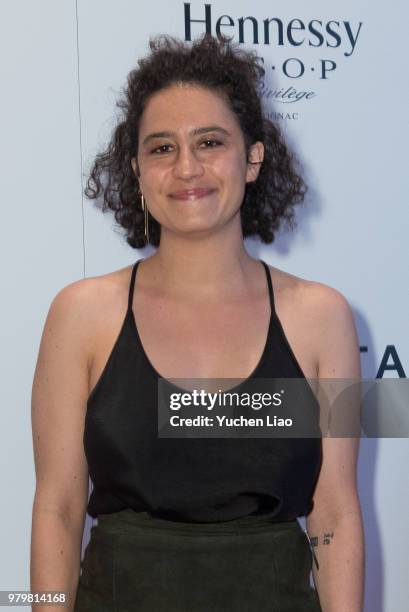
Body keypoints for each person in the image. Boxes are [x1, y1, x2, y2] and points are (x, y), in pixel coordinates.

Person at [30, 34, 364, 611]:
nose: (187, 167)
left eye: (210, 142)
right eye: (162, 148)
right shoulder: (81, 315)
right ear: (136, 169)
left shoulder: (323, 317)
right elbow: (56, 509)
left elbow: (334, 512)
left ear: (252, 157)